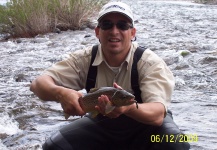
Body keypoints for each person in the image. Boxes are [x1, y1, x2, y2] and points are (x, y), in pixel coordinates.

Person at [30, 1, 190, 150]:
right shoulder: (84, 59)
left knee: (177, 142)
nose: (114, 31)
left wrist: (128, 108)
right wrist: (61, 93)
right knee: (54, 146)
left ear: (132, 33)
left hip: (147, 128)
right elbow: (38, 84)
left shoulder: (149, 62)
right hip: (102, 125)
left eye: (122, 25)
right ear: (98, 32)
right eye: (107, 25)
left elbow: (157, 115)